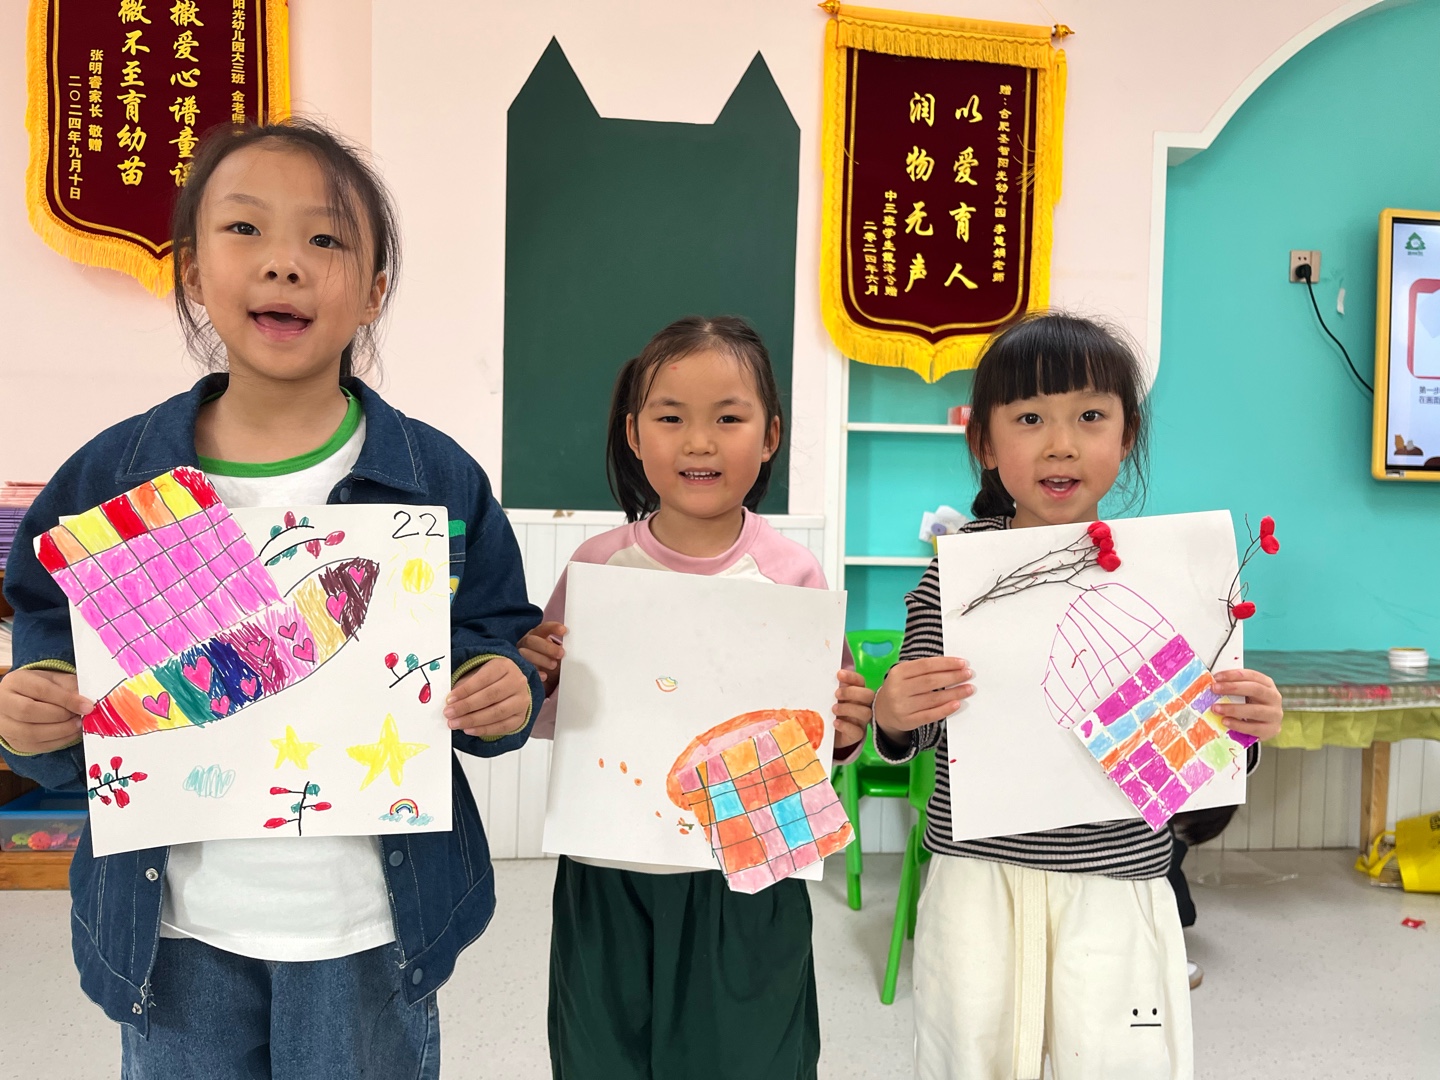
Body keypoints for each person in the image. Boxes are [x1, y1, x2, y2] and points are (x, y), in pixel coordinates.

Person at [0, 120, 542, 1079]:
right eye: (245, 229)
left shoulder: (436, 479)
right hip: (175, 928)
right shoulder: (114, 477)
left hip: (370, 924)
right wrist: (33, 703)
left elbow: (495, 631)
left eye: (325, 239)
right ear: (193, 270)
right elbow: (48, 630)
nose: (284, 263)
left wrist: (502, 686)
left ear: (374, 291)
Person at [871, 313, 1283, 1080]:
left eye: (1090, 417)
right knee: (973, 1059)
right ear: (985, 442)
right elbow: (914, 731)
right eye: (1030, 419)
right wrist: (893, 716)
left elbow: (1193, 755)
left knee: (1119, 1062)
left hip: (1119, 883)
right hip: (979, 883)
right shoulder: (953, 579)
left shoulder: (1165, 578)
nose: (1060, 443)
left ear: (1126, 437)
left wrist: (1243, 730)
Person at [517, 315, 872, 1080]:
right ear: (634, 434)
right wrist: (535, 673)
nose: (699, 442)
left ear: (770, 436)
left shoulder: (793, 576)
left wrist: (846, 730)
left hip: (749, 881)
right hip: (610, 871)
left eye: (729, 419)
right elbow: (550, 712)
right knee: (601, 1058)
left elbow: (823, 738)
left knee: (751, 1058)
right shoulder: (598, 565)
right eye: (671, 417)